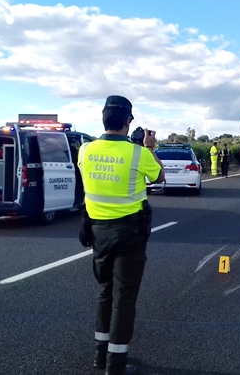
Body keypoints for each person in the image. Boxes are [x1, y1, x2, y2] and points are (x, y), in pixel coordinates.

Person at [77, 95, 165, 375]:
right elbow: (159, 177)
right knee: (124, 297)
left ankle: (99, 357)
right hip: (130, 233)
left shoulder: (85, 150)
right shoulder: (138, 153)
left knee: (105, 292)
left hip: (97, 233)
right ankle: (115, 366)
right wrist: (149, 147)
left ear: (103, 119)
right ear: (128, 121)